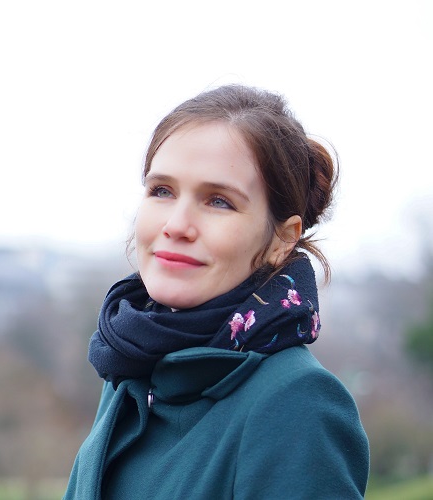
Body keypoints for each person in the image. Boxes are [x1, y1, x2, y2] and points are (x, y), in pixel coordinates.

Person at [64, 84, 370, 499]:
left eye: (219, 201)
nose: (176, 225)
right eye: (162, 191)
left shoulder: (296, 404)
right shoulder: (131, 367)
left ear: (283, 238)